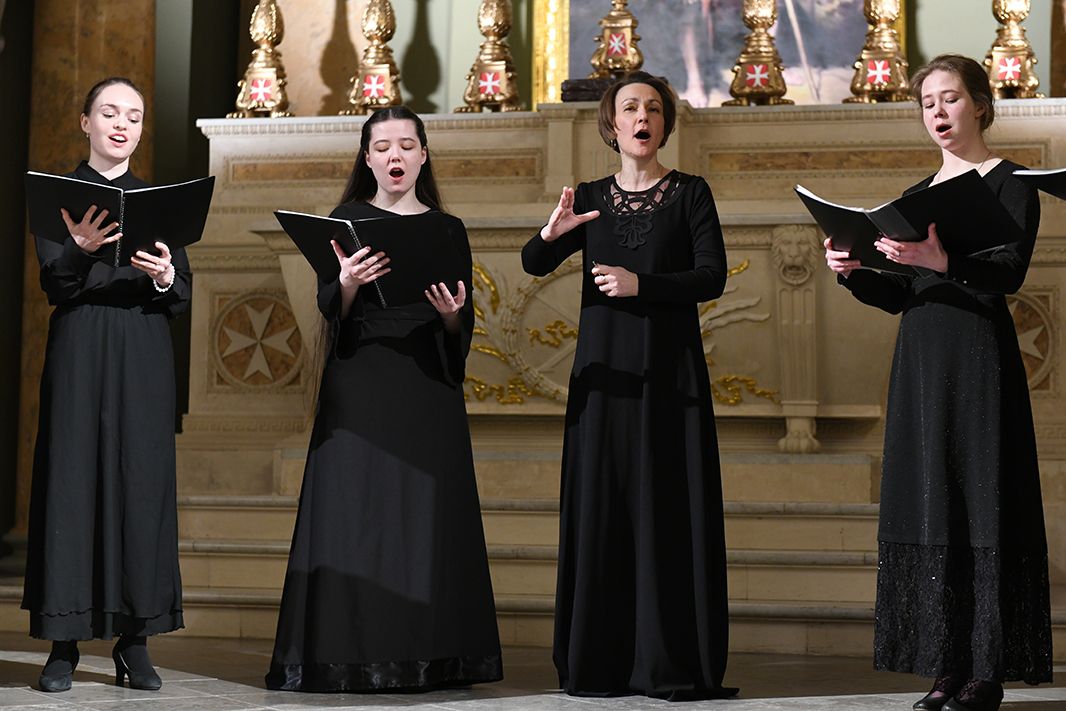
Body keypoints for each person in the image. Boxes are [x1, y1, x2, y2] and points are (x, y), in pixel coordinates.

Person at [823, 54, 1051, 711]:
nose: (939, 112)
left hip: (977, 357)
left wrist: (942, 258)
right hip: (921, 361)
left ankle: (987, 670)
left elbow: (1008, 272)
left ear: (980, 103)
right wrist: (853, 273)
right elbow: (904, 295)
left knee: (983, 502)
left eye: (950, 98)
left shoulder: (1012, 183)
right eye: (928, 103)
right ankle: (946, 666)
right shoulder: (920, 192)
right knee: (934, 504)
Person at [265, 106, 503, 693]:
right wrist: (347, 282)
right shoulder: (346, 220)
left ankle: (429, 657)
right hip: (361, 377)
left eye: (406, 145)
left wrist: (452, 315)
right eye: (382, 146)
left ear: (423, 155)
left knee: (424, 517)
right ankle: (349, 655)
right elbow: (331, 308)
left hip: (426, 381)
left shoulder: (448, 229)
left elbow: (462, 326)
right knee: (356, 512)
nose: (394, 155)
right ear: (367, 158)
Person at [521, 71, 736, 701]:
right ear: (611, 125)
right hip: (604, 382)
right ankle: (600, 662)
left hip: (669, 378)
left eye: (653, 109)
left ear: (664, 124)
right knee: (605, 509)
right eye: (630, 108)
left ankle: (667, 661)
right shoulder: (589, 197)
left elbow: (712, 276)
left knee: (666, 509)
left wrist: (643, 285)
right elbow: (533, 263)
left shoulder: (690, 193)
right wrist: (551, 234)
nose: (642, 117)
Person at [22, 77, 189, 692]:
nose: (123, 125)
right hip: (82, 345)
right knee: (72, 480)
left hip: (143, 347)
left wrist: (165, 275)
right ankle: (63, 643)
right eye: (110, 113)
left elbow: (180, 292)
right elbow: (55, 282)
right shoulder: (59, 195)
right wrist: (79, 250)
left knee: (141, 483)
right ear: (85, 122)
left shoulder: (157, 201)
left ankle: (134, 642)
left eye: (134, 117)